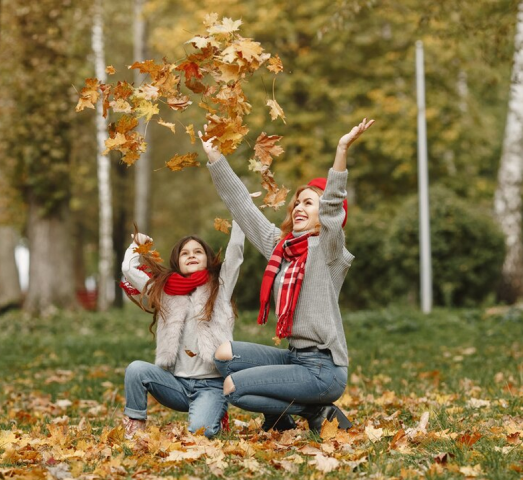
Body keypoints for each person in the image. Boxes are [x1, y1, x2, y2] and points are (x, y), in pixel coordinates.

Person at [199, 118, 375, 433]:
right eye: (297, 202)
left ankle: (315, 407)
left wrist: (341, 148)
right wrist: (215, 157)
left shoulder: (329, 250)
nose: (297, 207)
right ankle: (305, 410)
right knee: (223, 355)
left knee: (233, 387)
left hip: (323, 369)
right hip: (294, 358)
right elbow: (242, 207)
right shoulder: (282, 249)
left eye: (308, 203)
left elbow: (333, 206)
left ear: (326, 215)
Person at [120, 223, 245, 439]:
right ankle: (135, 423)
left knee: (200, 433)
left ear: (207, 258)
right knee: (136, 369)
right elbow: (128, 270)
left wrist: (239, 218)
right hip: (176, 383)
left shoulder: (220, 285)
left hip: (211, 385)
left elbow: (235, 251)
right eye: (185, 253)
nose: (191, 256)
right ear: (177, 261)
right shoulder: (163, 289)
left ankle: (217, 414)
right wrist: (136, 246)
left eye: (198, 252)